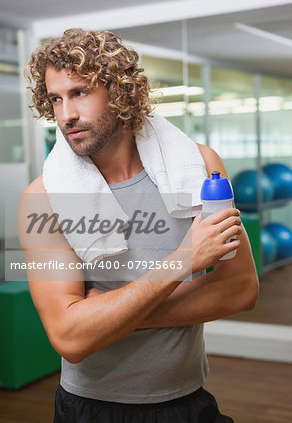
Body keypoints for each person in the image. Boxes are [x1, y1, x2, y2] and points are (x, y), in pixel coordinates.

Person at [19, 28, 258, 423]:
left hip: (189, 400)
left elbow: (240, 289)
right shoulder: (43, 198)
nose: (66, 115)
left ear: (119, 90)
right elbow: (70, 339)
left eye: (79, 92)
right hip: (91, 408)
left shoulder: (198, 169)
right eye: (55, 99)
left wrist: (107, 318)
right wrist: (182, 261)